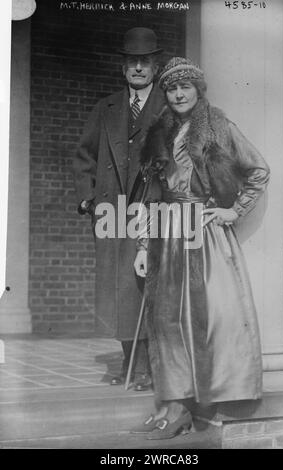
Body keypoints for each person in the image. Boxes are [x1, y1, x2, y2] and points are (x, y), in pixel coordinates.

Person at [133, 57, 270, 439]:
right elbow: (149, 195)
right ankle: (175, 406)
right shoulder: (159, 134)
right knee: (167, 320)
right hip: (167, 233)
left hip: (206, 236)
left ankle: (207, 403)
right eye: (172, 89)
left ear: (198, 90)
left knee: (210, 317)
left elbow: (258, 171)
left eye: (185, 87)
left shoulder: (219, 127)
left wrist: (233, 210)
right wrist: (144, 245)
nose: (178, 94)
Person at [73, 28, 165, 391]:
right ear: (123, 68)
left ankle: (145, 366)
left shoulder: (167, 105)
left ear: (155, 67)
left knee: (142, 286)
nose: (139, 68)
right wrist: (87, 199)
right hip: (111, 212)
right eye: (132, 62)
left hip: (150, 208)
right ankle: (129, 361)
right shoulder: (106, 107)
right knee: (116, 290)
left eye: (145, 62)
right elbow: (84, 156)